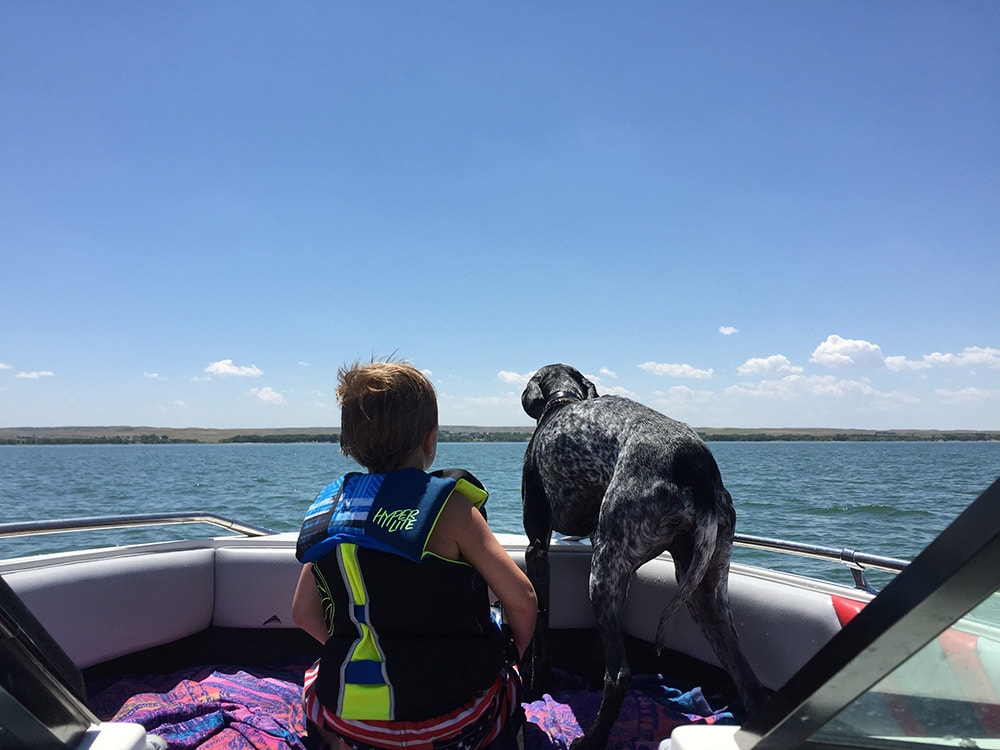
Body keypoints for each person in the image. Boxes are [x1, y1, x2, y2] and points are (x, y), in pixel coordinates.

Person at [292, 359, 537, 750]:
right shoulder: (452, 508)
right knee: (507, 683)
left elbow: (302, 614)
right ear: (430, 439)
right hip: (453, 724)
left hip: (355, 725)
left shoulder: (335, 513)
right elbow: (522, 600)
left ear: (350, 445)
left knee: (314, 680)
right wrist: (512, 656)